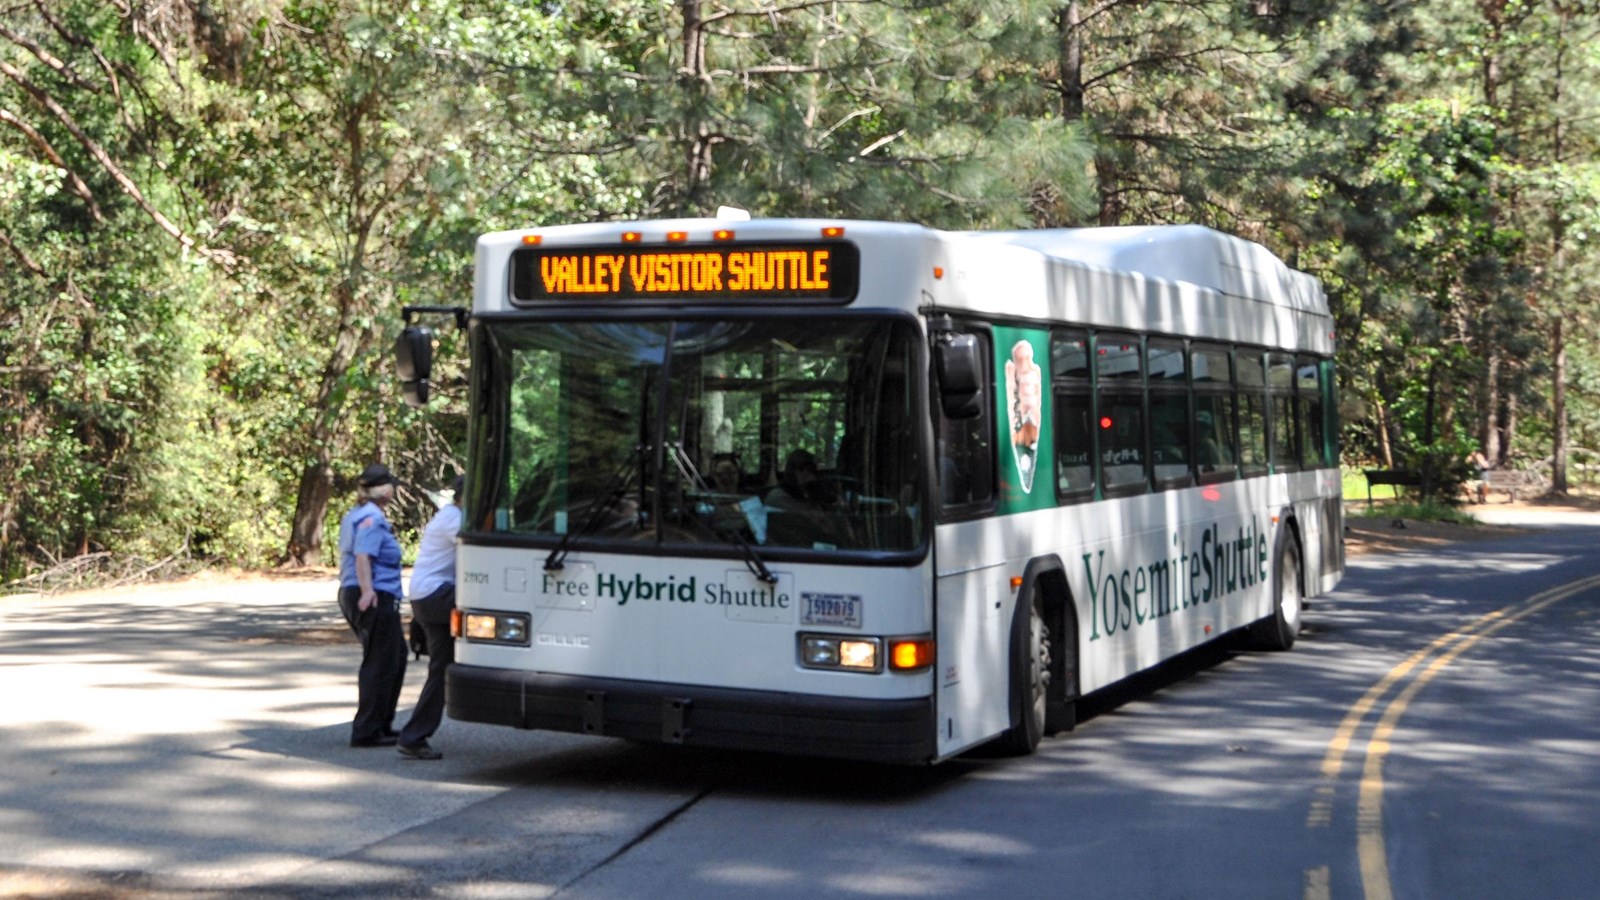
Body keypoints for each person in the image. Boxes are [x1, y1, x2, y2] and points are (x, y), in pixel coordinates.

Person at [337, 463, 407, 747]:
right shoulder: (371, 518)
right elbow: (363, 556)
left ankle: (381, 723)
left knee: (395, 657)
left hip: (361, 592)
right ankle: (367, 730)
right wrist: (368, 592)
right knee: (379, 662)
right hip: (373, 595)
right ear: (384, 490)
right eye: (391, 485)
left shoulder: (356, 514)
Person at [396, 474, 463, 761]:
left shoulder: (450, 514)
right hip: (435, 594)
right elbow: (477, 544)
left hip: (429, 594)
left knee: (441, 667)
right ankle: (414, 735)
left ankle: (414, 735)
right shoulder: (454, 518)